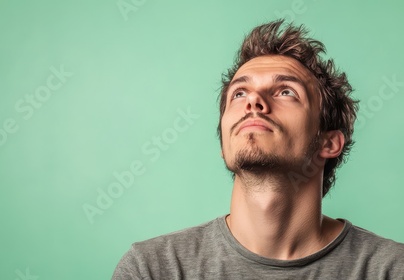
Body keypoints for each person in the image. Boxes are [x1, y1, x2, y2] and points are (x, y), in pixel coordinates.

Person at [112, 19, 404, 279]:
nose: (253, 101)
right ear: (224, 143)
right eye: (239, 93)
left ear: (329, 143)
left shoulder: (391, 269)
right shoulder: (152, 269)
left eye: (286, 92)